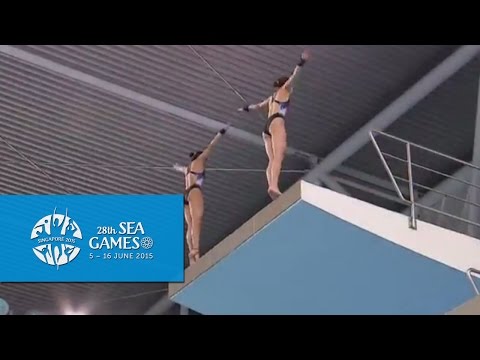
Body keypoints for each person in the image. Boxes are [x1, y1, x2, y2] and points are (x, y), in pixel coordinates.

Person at [238, 50, 310, 200]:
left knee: (272, 160)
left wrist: (245, 108)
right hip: (277, 122)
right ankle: (273, 186)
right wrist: (302, 61)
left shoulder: (271, 98)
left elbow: (256, 106)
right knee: (278, 156)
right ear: (283, 85)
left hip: (267, 127)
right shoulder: (284, 90)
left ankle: (271, 183)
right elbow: (294, 76)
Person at [173, 128, 227, 264]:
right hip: (194, 191)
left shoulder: (188, 168)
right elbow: (211, 146)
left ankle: (191, 249)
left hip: (185, 195)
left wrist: (176, 166)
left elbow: (180, 168)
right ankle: (195, 251)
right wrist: (220, 134)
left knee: (190, 225)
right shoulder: (200, 160)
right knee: (197, 221)